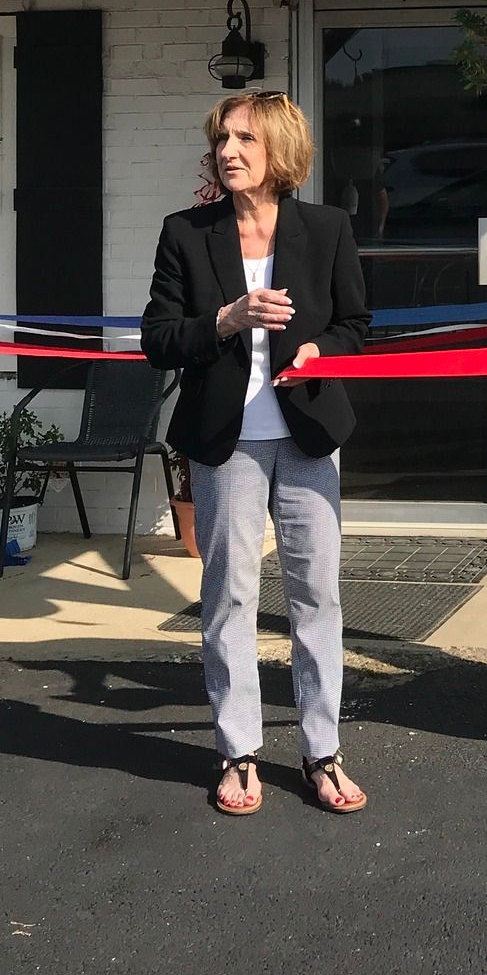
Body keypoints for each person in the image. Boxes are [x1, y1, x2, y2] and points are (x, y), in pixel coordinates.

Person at [142, 90, 371, 817]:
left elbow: (357, 326)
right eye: (221, 139)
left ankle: (321, 751)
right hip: (224, 442)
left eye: (244, 138)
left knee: (316, 596)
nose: (228, 151)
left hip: (308, 435)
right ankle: (237, 752)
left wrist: (319, 349)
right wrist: (226, 318)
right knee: (231, 595)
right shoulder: (186, 232)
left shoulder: (327, 228)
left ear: (280, 150)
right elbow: (157, 338)